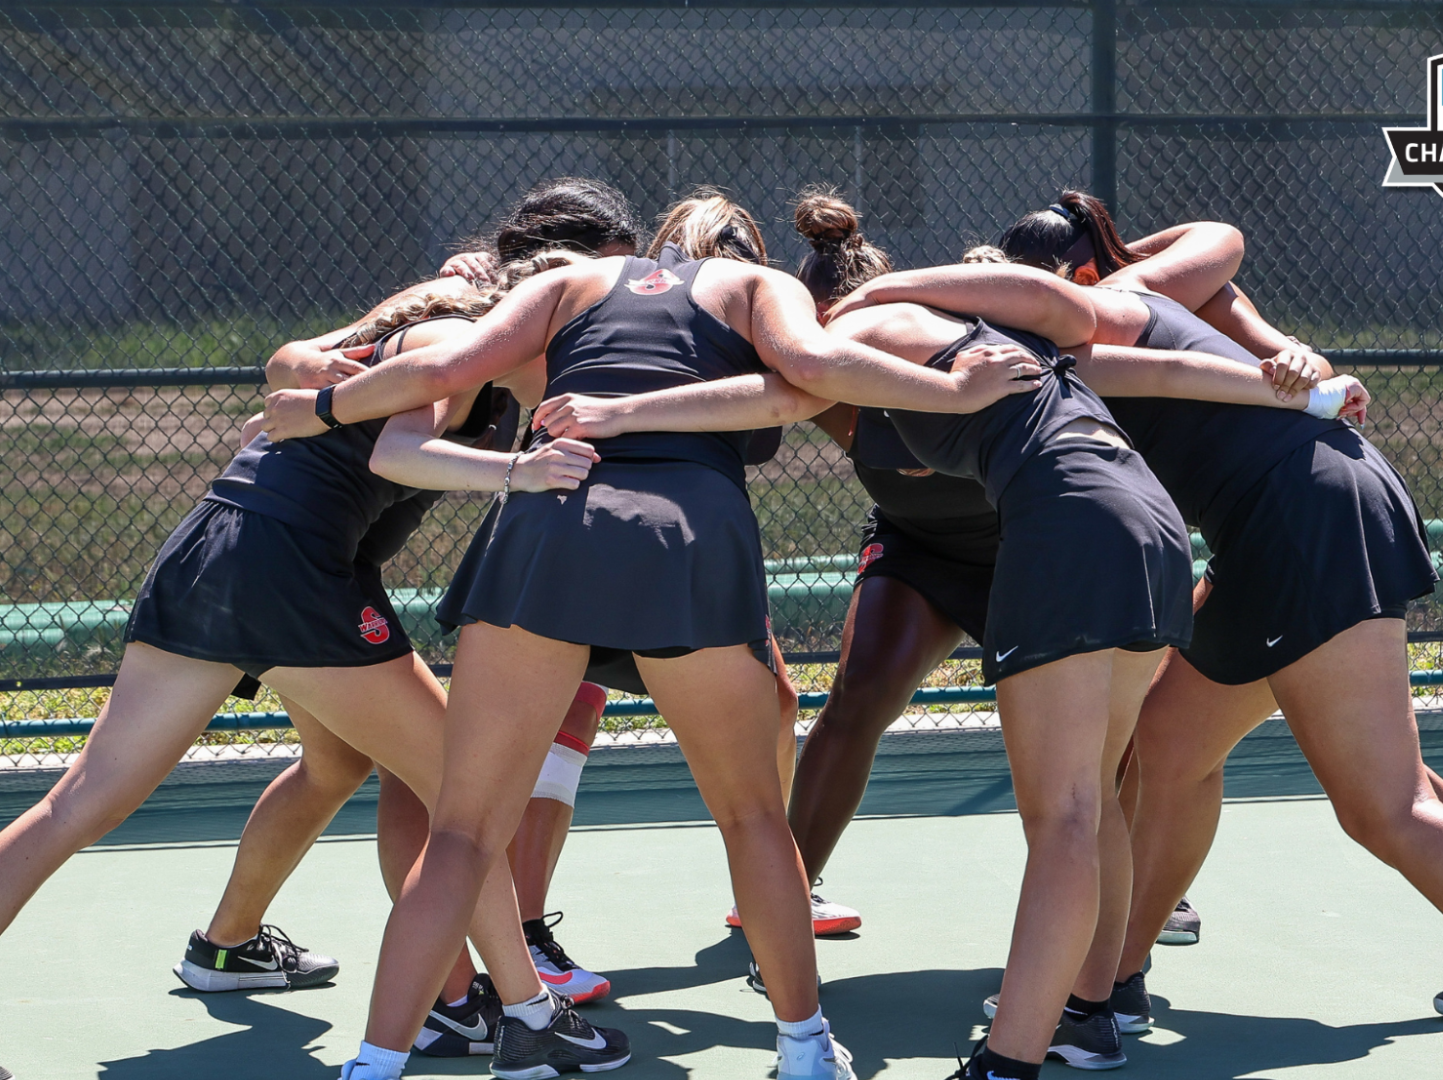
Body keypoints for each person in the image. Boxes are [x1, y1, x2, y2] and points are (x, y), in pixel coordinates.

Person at [537, 191, 1361, 1074]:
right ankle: (1095, 1004)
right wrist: (1303, 391)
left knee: (1067, 814)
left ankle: (1013, 1055)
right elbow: (1156, 371)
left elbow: (770, 397)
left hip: (1057, 531)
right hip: (1140, 524)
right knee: (1082, 798)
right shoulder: (1025, 348)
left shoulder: (863, 343)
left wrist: (621, 412)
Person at [848, 190, 1443, 1080]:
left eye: (993, 296)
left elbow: (1098, 289)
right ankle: (1104, 994)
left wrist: (879, 294)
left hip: (1305, 522)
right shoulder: (1081, 363)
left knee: (1383, 802)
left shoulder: (1121, 307)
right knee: (1169, 740)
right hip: (1277, 527)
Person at [259, 189, 1042, 1080]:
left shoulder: (574, 284)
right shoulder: (753, 287)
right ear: (731, 251)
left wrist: (324, 409)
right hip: (683, 536)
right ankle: (805, 1047)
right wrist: (951, 387)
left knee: (463, 833)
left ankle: (373, 1063)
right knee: (752, 819)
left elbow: (443, 370)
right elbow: (812, 372)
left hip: (547, 524)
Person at [0, 255, 633, 1080]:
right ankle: (528, 1020)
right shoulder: (454, 347)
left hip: (216, 544)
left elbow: (294, 400)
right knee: (465, 798)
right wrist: (519, 474)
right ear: (534, 321)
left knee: (87, 799)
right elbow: (393, 454)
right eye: (584, 333)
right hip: (287, 571)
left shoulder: (479, 375)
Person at [171, 178, 649, 1014]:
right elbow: (293, 365)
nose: (599, 306)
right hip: (302, 569)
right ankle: (455, 1000)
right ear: (544, 264)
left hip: (328, 565)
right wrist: (320, 402)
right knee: (436, 780)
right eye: (590, 282)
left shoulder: (545, 347)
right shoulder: (459, 311)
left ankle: (228, 945)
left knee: (337, 763)